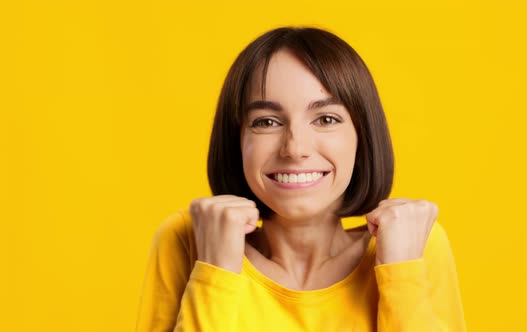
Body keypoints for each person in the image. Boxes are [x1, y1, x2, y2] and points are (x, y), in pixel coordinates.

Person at [135, 26, 466, 331]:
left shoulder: (416, 242)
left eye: (326, 118)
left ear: (362, 137)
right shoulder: (186, 240)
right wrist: (215, 273)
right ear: (236, 140)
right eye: (266, 122)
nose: (295, 148)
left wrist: (401, 276)